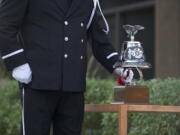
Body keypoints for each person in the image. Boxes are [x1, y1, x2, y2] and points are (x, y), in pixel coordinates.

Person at [0, 0, 133, 135]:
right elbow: (3, 26)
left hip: (73, 86)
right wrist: (17, 63)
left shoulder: (88, 3)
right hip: (36, 82)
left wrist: (118, 65)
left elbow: (99, 41)